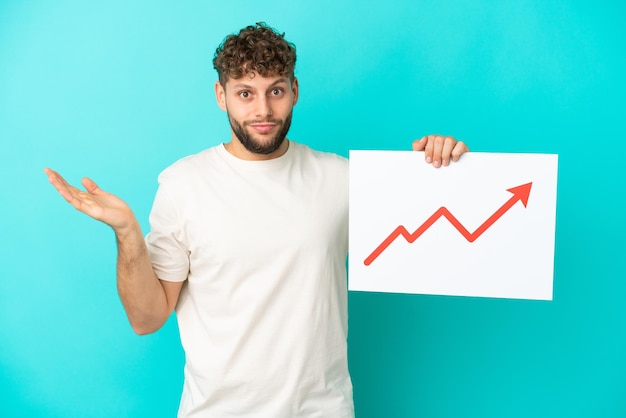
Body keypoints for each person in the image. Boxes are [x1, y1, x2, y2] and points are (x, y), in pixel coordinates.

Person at [45, 23, 468, 418]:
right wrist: (127, 234)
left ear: (295, 90)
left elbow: (436, 233)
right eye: (245, 93)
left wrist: (438, 166)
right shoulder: (183, 185)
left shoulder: (342, 179)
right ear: (220, 95)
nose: (263, 110)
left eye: (275, 91)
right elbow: (147, 318)